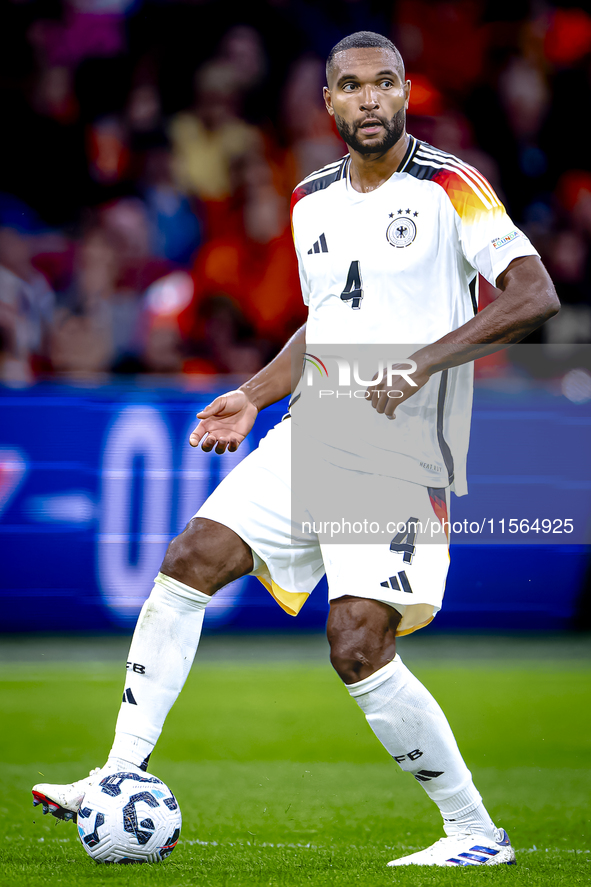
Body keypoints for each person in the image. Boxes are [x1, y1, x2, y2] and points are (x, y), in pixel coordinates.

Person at [32, 32, 559, 867]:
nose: (370, 100)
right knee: (190, 555)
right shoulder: (310, 196)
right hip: (315, 426)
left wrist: (420, 363)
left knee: (355, 642)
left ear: (406, 90)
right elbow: (326, 325)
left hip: (403, 448)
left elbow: (534, 293)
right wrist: (253, 392)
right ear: (329, 102)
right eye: (351, 87)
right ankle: (116, 772)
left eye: (385, 84)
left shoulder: (451, 187)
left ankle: (473, 832)